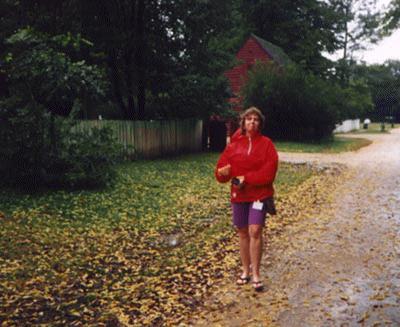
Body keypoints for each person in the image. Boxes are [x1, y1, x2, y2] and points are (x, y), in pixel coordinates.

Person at [215, 107, 278, 292]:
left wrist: (247, 179)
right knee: (242, 232)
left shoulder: (267, 144)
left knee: (255, 230)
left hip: (259, 195)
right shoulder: (234, 145)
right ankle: (245, 271)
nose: (252, 122)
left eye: (256, 119)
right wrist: (221, 173)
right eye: (248, 119)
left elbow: (269, 173)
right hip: (239, 195)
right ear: (242, 122)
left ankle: (256, 274)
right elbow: (221, 170)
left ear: (260, 123)